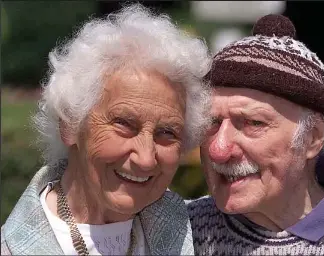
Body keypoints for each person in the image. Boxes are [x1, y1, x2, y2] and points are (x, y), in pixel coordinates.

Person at [1, 4, 211, 255]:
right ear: (69, 125)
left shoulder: (202, 234)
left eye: (167, 133)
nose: (145, 159)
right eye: (124, 124)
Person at [188, 14, 324, 255]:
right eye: (212, 123)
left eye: (253, 122)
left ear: (312, 138)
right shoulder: (182, 230)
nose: (218, 150)